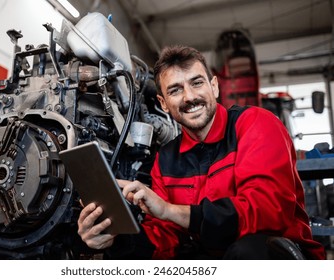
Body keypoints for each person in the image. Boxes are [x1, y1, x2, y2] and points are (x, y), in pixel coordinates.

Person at [77, 45, 326, 260]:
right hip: (212, 258)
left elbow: (267, 212)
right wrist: (113, 239)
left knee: (247, 251)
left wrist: (170, 210)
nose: (190, 97)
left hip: (276, 254)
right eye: (175, 90)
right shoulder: (165, 160)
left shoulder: (255, 124)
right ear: (163, 103)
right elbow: (165, 237)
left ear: (214, 86)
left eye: (196, 83)